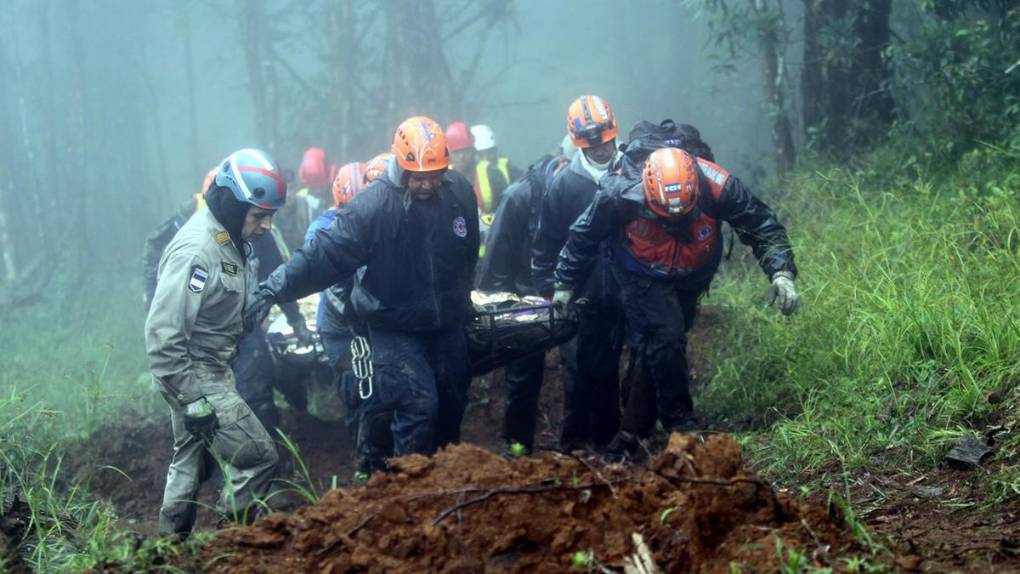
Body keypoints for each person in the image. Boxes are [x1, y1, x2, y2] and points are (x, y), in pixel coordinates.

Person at [245, 116, 480, 457]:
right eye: (418, 177)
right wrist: (273, 288)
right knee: (419, 405)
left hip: (447, 322)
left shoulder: (458, 192)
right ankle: (410, 480)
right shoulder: (372, 207)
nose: (427, 185)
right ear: (401, 165)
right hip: (395, 325)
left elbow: (467, 250)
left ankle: (444, 477)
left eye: (434, 175)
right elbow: (323, 255)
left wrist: (464, 300)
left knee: (452, 401)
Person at [554, 147, 799, 453]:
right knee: (667, 336)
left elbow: (760, 223)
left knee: (657, 347)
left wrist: (781, 272)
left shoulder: (718, 185)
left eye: (683, 213)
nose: (673, 220)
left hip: (692, 273)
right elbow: (582, 235)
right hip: (638, 272)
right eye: (664, 213)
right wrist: (564, 283)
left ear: (695, 189)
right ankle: (680, 424)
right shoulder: (618, 192)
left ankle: (632, 429)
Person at [145, 148, 287, 536]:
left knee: (191, 458)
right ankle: (232, 541)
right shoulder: (197, 249)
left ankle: (169, 546)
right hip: (195, 373)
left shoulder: (226, 236)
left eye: (270, 215)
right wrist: (192, 399)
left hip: (209, 367)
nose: (266, 225)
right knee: (259, 457)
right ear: (233, 205)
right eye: (258, 216)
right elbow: (163, 334)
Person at [142, 168, 312, 432]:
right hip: (199, 333)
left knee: (257, 389)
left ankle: (267, 442)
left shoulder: (258, 231)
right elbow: (155, 255)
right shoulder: (191, 236)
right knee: (202, 409)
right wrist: (153, 299)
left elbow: (276, 276)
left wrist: (296, 320)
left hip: (243, 325)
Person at [531, 95, 626, 451]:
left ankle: (621, 439)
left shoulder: (634, 171)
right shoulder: (565, 185)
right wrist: (551, 291)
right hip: (584, 293)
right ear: (578, 143)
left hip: (631, 287)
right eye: (592, 144)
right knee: (581, 368)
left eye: (605, 142)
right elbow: (546, 244)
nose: (601, 149)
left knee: (629, 365)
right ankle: (577, 443)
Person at [303, 161, 392, 479]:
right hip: (340, 326)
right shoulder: (323, 232)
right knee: (358, 388)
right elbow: (336, 291)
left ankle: (384, 454)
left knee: (383, 387)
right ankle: (365, 464)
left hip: (367, 318)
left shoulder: (375, 220)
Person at [476, 152, 567, 454]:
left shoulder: (578, 188)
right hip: (524, 294)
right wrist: (500, 304)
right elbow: (498, 251)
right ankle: (517, 442)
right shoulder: (519, 197)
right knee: (524, 370)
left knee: (583, 364)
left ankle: (580, 441)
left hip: (567, 290)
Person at [276, 147, 332, 250]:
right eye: (284, 189)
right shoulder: (271, 214)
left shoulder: (308, 205)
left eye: (291, 188)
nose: (288, 194)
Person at [470, 124, 522, 217]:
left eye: (490, 152)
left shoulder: (509, 169)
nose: (486, 158)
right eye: (480, 154)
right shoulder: (467, 177)